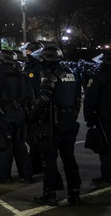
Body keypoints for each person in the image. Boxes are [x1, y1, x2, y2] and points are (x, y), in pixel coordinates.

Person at [29, 47, 82, 206]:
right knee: (69, 158)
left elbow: (44, 99)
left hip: (53, 122)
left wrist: (32, 116)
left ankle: (50, 193)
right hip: (69, 121)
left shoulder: (49, 75)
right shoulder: (71, 73)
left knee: (49, 159)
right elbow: (78, 99)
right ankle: (75, 192)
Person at [0, 50, 34, 184]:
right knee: (20, 144)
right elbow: (30, 97)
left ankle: (4, 175)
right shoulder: (22, 76)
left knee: (5, 145)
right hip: (20, 114)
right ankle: (26, 174)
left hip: (4, 114)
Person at [84, 51, 111, 184]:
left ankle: (107, 175)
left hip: (105, 116)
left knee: (105, 146)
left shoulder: (100, 76)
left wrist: (89, 118)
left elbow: (90, 98)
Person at [22, 41, 45, 175]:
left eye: (29, 50)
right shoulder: (28, 65)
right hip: (28, 104)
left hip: (37, 106)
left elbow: (39, 88)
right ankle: (35, 162)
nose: (27, 52)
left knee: (36, 137)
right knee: (30, 136)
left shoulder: (38, 67)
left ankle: (38, 164)